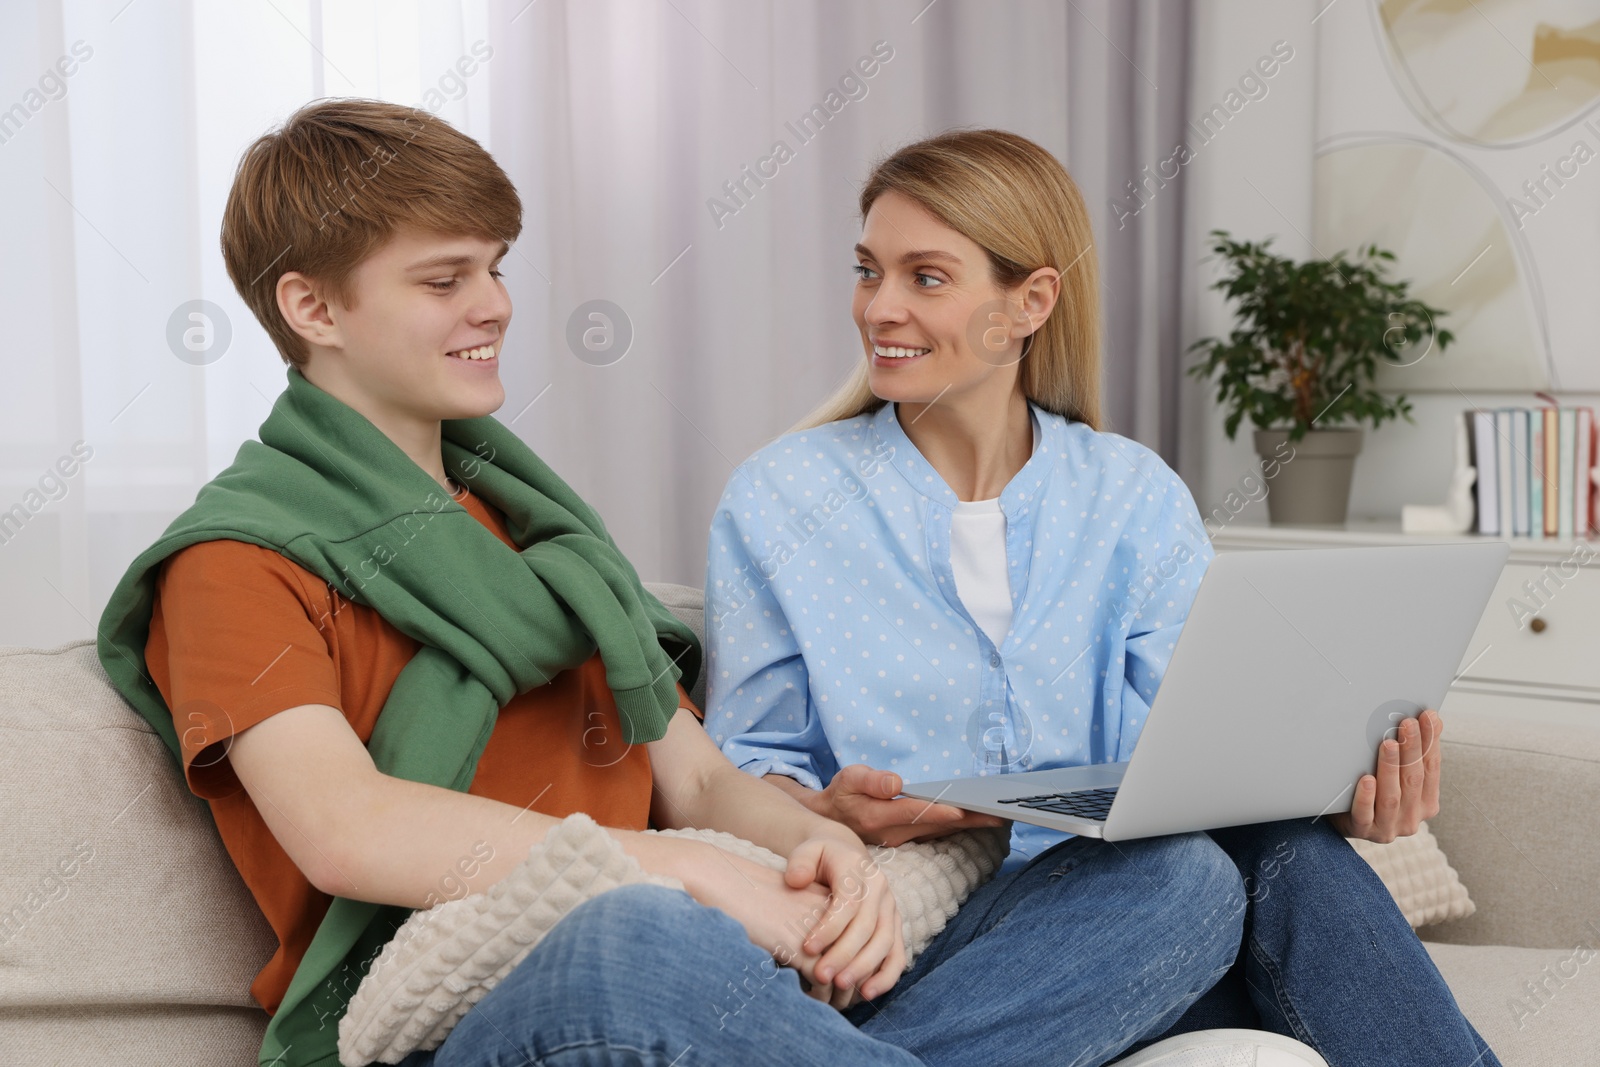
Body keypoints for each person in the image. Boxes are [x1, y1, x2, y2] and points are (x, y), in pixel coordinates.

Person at [98, 98, 947, 1067]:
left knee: (1148, 882)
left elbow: (700, 776)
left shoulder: (541, 532)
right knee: (632, 940)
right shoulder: (232, 561)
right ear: (314, 308)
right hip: (466, 1009)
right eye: (443, 278)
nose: (494, 303)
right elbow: (346, 827)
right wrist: (690, 875)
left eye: (494, 267)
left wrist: (815, 850)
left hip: (692, 973)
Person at [704, 128, 1502, 1066]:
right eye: (868, 269)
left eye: (925, 277)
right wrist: (830, 810)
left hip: (1144, 947)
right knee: (1187, 879)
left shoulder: (1131, 495)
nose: (879, 306)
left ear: (1031, 302)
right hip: (936, 939)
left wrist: (1344, 792)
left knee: (1277, 849)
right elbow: (729, 773)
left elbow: (1211, 749)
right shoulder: (780, 498)